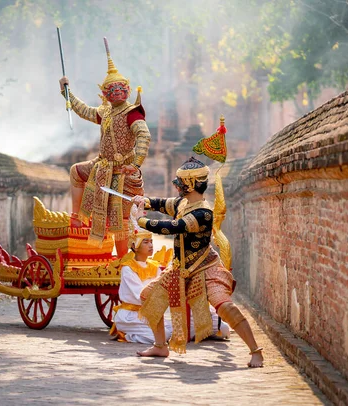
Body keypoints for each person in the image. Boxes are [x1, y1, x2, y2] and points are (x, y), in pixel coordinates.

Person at [131, 157, 264, 368]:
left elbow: (175, 226)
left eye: (180, 182)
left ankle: (256, 351)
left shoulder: (203, 213)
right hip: (181, 268)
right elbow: (161, 204)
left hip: (205, 267)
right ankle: (160, 345)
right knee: (148, 296)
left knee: (225, 306)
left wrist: (141, 221)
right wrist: (143, 201)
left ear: (191, 184)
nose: (177, 185)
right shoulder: (182, 203)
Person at [59, 38, 151, 257]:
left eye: (120, 87)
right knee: (75, 171)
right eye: (111, 89)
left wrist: (135, 164)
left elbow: (144, 137)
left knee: (120, 222)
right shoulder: (106, 112)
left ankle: (123, 263)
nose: (116, 91)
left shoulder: (132, 112)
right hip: (102, 168)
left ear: (128, 89)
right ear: (105, 93)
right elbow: (83, 110)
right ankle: (77, 217)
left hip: (124, 173)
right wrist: (66, 92)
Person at [111, 206, 229, 344]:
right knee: (166, 334)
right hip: (132, 316)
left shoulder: (154, 266)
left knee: (218, 328)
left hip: (152, 314)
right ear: (134, 246)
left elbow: (166, 285)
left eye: (151, 241)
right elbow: (142, 296)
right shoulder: (128, 269)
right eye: (145, 242)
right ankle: (128, 335)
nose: (150, 245)